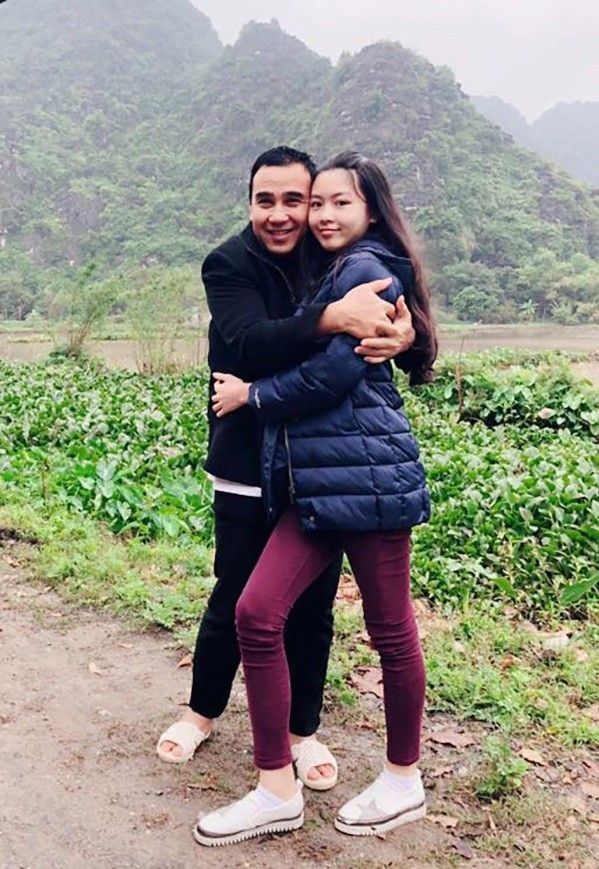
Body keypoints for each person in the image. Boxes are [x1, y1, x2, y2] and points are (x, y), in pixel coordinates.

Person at [194, 151, 437, 846]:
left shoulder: (365, 268)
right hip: (314, 481)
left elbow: (332, 374)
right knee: (255, 611)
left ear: (371, 212)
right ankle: (276, 787)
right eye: (318, 202)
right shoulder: (317, 268)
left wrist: (252, 395)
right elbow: (258, 337)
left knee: (389, 628)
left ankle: (402, 779)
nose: (322, 215)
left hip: (366, 475)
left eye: (338, 203)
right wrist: (359, 324)